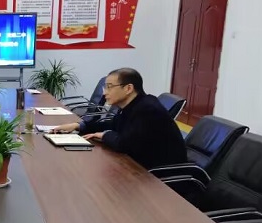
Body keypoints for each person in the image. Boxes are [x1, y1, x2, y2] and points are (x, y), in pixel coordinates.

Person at [53, 68, 187, 169]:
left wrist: (104, 135)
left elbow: (124, 144)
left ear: (128, 88)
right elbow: (113, 124)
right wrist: (79, 126)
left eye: (109, 87)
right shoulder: (133, 105)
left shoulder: (147, 109)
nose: (104, 93)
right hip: (141, 165)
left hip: (160, 176)